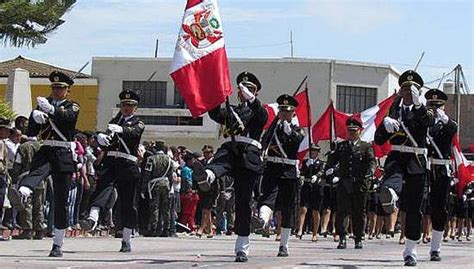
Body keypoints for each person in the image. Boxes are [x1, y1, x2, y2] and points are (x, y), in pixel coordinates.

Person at [192, 71, 268, 262]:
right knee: (221, 159)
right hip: (231, 147)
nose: (244, 91)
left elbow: (262, 116)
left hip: (249, 152)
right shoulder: (231, 109)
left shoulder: (259, 110)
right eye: (242, 88)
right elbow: (216, 113)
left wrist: (251, 99)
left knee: (242, 201)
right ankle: (207, 176)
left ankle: (242, 247)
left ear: (255, 92)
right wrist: (215, 93)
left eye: (249, 89)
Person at [8, 71, 80, 257]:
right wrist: (35, 117)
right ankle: (22, 192)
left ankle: (57, 242)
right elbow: (33, 130)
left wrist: (50, 111)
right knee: (36, 171)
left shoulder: (73, 106)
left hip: (63, 150)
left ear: (68, 90)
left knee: (61, 200)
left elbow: (68, 119)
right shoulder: (42, 105)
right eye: (54, 88)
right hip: (47, 147)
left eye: (60, 88)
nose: (56, 91)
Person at [375, 70, 433, 266]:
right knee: (391, 178)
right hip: (397, 155)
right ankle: (391, 194)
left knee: (414, 208)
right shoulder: (394, 110)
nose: (408, 92)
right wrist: (384, 124)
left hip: (416, 158)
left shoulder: (424, 110)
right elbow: (379, 139)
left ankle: (410, 250)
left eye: (412, 89)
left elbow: (428, 122)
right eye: (405, 88)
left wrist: (417, 105)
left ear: (418, 91)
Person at [80, 89, 145, 253]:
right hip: (111, 162)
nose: (126, 108)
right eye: (124, 104)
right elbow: (107, 141)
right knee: (102, 188)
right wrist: (101, 136)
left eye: (130, 105)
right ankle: (93, 218)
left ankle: (126, 238)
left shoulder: (138, 122)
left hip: (127, 164)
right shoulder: (114, 121)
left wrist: (121, 130)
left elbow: (134, 133)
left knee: (127, 203)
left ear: (135, 108)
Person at [258, 94, 305, 257]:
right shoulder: (273, 128)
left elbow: (298, 140)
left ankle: (284, 245)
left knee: (288, 209)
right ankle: (261, 222)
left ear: (293, 113)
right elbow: (263, 142)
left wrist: (289, 131)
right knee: (268, 198)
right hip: (272, 168)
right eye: (282, 111)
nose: (284, 114)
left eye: (288, 112)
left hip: (289, 172)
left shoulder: (297, 129)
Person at [328, 118, 375, 249]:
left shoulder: (366, 146)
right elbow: (332, 161)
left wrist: (370, 172)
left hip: (359, 183)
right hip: (344, 182)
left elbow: (371, 161)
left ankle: (358, 238)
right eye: (349, 131)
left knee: (359, 212)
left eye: (354, 131)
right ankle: (342, 237)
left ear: (359, 131)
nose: (351, 133)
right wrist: (330, 168)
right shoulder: (341, 146)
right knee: (342, 211)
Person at [423, 88, 458, 261]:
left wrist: (442, 117)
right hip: (424, 167)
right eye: (432, 105)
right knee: (418, 206)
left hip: (441, 170)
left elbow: (453, 129)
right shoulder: (425, 122)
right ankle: (411, 242)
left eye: (438, 106)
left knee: (439, 208)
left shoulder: (447, 124)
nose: (435, 109)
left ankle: (435, 248)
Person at [140, 141, 175, 237]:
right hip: (166, 184)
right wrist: (170, 186)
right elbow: (171, 176)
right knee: (166, 208)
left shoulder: (151, 159)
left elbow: (147, 175)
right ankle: (166, 230)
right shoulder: (169, 160)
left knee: (154, 207)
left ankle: (153, 229)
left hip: (154, 185)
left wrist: (143, 189)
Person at [297, 144, 325, 242]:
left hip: (316, 187)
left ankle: (315, 233)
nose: (313, 152)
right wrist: (303, 171)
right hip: (307, 186)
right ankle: (300, 230)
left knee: (315, 211)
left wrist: (317, 175)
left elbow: (322, 171)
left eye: (315, 150)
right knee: (303, 209)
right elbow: (302, 172)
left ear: (318, 152)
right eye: (312, 150)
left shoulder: (321, 163)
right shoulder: (306, 162)